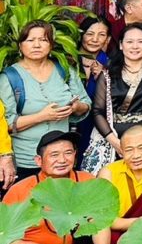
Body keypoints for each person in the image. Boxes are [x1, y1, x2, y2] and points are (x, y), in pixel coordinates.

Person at [3, 131, 110, 244]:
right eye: (54, 155)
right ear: (39, 161)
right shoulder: (21, 190)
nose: (62, 160)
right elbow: (2, 236)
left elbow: (99, 223)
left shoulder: (86, 181)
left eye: (68, 153)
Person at [0, 21, 90, 177]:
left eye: (43, 40)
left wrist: (76, 107)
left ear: (51, 45)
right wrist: (42, 116)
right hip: (26, 158)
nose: (37, 45)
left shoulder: (64, 70)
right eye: (30, 40)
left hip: (61, 159)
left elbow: (86, 104)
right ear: (20, 46)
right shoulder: (9, 77)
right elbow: (6, 124)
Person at [92, 22, 142, 157]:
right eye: (129, 42)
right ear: (121, 45)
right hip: (117, 138)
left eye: (140, 42)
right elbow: (97, 111)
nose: (135, 46)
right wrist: (114, 141)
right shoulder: (107, 75)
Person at [98, 125, 142, 233]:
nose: (136, 156)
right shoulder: (109, 173)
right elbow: (103, 219)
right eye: (129, 150)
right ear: (121, 151)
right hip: (120, 237)